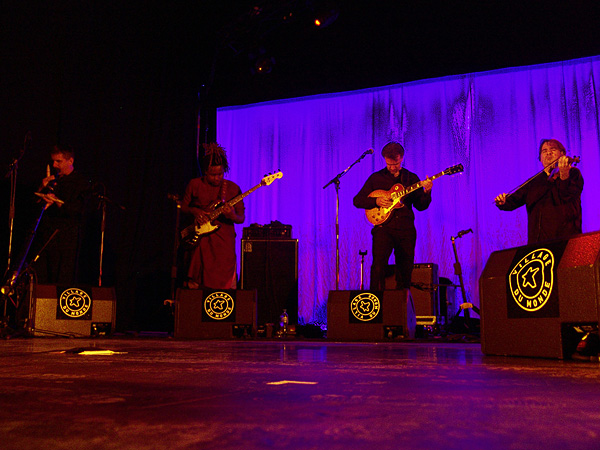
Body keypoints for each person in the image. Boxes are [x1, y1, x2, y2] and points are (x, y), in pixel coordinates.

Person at [353, 142, 433, 291]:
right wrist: (375, 201)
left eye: (395, 164)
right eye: (388, 164)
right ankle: (376, 306)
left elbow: (421, 206)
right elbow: (357, 200)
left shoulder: (411, 178)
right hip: (383, 229)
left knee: (405, 269)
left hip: (406, 230)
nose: (392, 167)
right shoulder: (376, 178)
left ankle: (401, 308)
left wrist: (427, 192)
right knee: (378, 267)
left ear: (401, 158)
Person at [180, 142, 245, 289]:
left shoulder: (233, 188)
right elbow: (183, 207)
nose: (217, 178)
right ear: (205, 172)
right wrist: (195, 211)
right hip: (201, 237)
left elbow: (241, 218)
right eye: (213, 174)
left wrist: (232, 215)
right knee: (198, 279)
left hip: (224, 241)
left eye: (220, 174)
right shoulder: (194, 184)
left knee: (224, 279)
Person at [494, 138, 583, 244]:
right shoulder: (534, 182)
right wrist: (503, 202)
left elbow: (567, 195)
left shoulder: (573, 173)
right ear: (540, 158)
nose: (548, 153)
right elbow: (514, 200)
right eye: (544, 151)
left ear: (562, 153)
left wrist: (564, 176)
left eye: (553, 149)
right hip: (537, 243)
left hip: (566, 240)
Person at [33, 144, 91, 285]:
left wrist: (57, 202)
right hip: (47, 236)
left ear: (70, 161)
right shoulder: (53, 180)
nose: (54, 165)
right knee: (42, 277)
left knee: (61, 279)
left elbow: (80, 210)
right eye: (53, 161)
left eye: (58, 161)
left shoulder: (80, 183)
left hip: (66, 240)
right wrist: (42, 188)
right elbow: (36, 206)